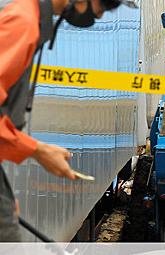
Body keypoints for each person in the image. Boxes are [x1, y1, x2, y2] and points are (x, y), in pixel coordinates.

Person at [0, 0, 137, 242]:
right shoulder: (23, 23)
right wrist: (38, 150)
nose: (98, 15)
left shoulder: (30, 20)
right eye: (102, 7)